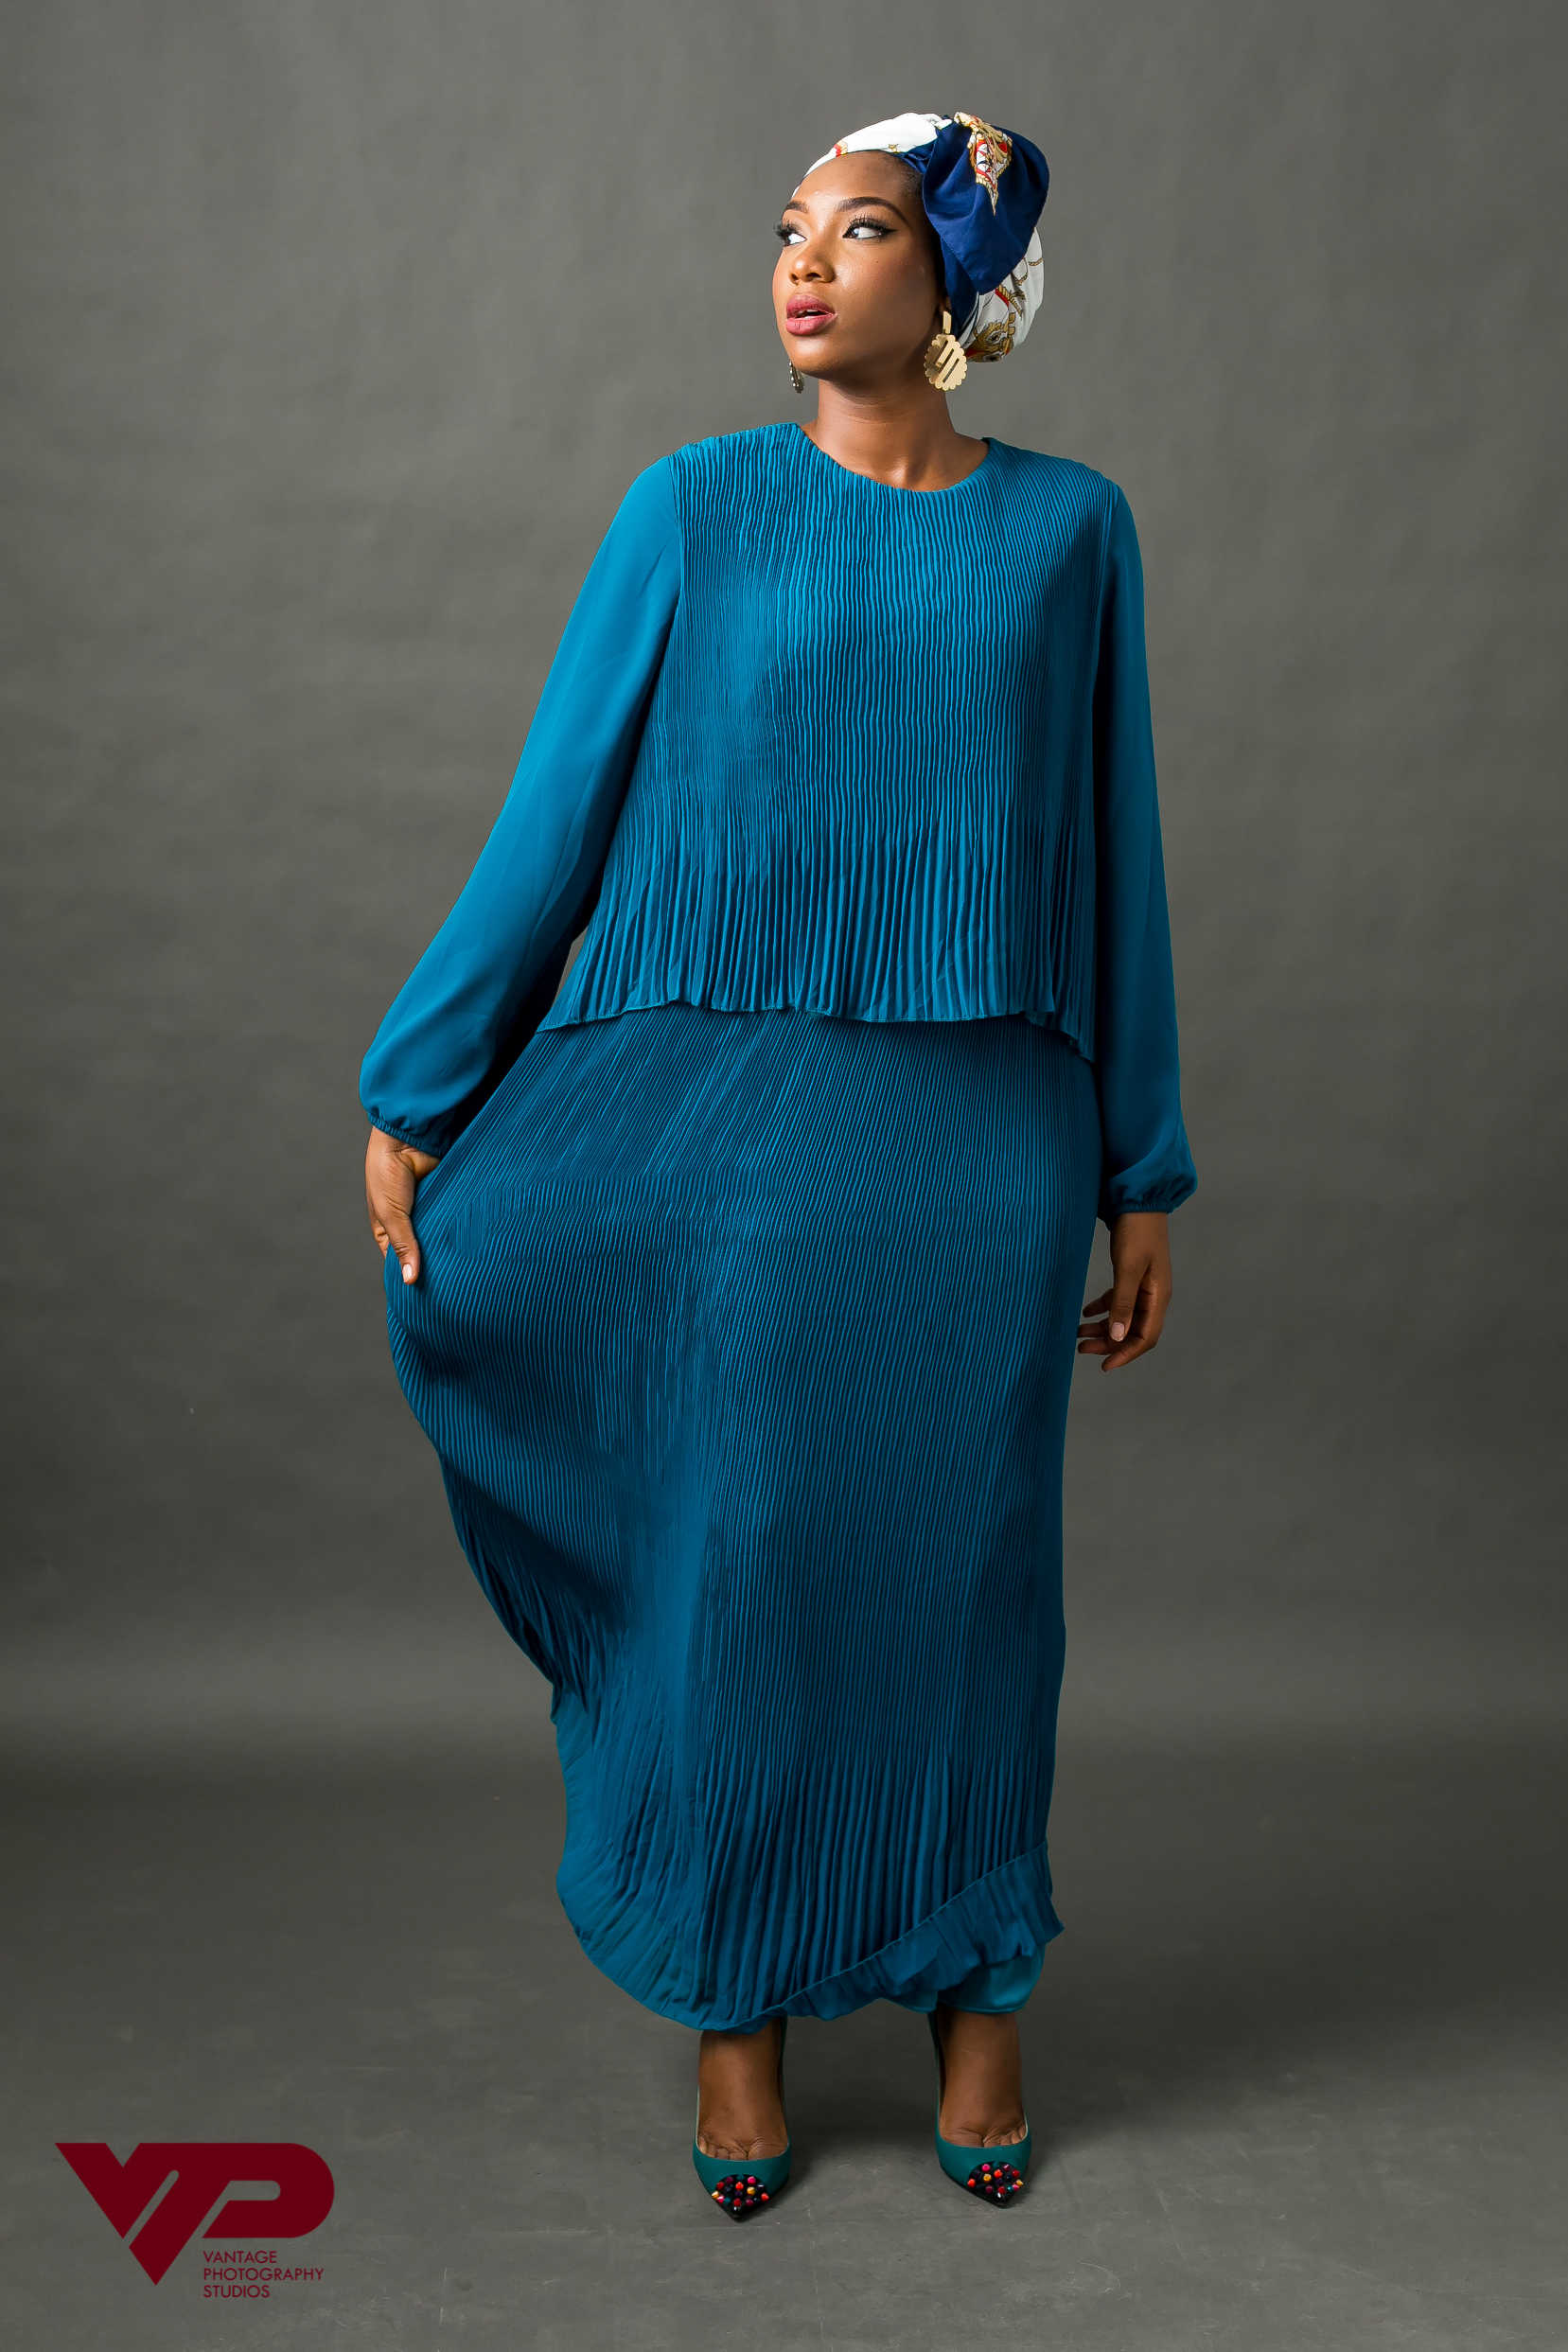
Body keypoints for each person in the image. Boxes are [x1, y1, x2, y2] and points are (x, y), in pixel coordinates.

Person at [361, 108, 1195, 2218]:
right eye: (790, 228)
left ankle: (980, 1992)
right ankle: (736, 2004)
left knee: (974, 1582)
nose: (805, 264)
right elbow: (556, 816)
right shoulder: (692, 508)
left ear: (961, 286)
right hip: (738, 1153)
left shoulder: (1071, 532)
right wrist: (422, 1083)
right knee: (741, 1562)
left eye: (866, 228)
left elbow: (1115, 862)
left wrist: (1142, 1168)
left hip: (983, 1153)